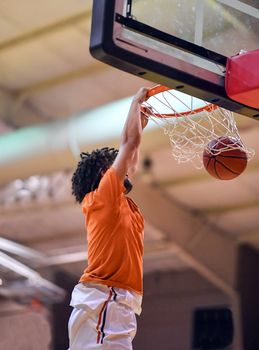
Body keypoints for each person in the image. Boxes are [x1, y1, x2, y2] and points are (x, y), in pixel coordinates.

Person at [68, 87, 149, 349]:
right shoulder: (104, 197)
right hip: (105, 298)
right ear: (104, 175)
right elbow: (129, 145)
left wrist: (139, 121)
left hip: (109, 300)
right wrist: (135, 103)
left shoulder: (113, 201)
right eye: (113, 164)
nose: (123, 166)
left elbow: (131, 153)